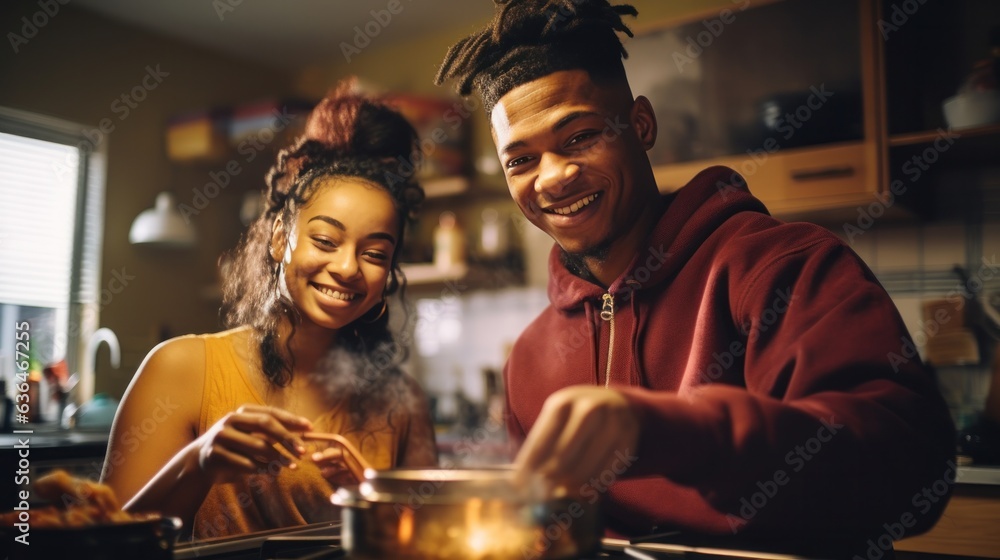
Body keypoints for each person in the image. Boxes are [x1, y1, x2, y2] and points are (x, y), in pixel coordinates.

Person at [435, 0, 957, 544]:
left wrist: (671, 431)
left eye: (580, 136)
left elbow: (910, 467)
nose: (553, 177)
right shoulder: (530, 358)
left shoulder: (782, 266)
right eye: (520, 160)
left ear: (641, 125)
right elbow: (554, 529)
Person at [100, 82, 438, 539]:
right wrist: (199, 462)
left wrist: (368, 498)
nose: (346, 268)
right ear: (280, 238)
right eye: (325, 240)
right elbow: (104, 541)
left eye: (375, 254)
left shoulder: (403, 403)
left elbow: (431, 545)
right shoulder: (180, 368)